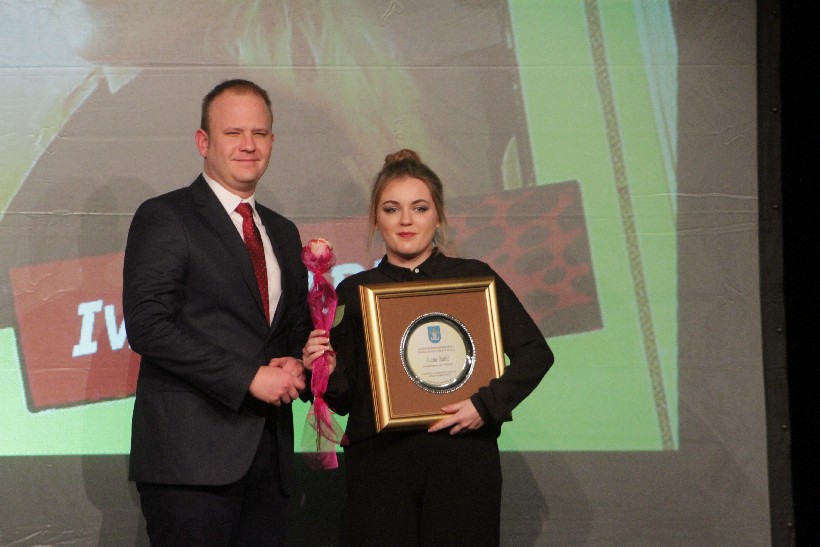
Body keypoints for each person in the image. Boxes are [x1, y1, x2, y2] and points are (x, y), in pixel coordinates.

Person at [302, 149, 555, 546]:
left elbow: (535, 353)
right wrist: (326, 371)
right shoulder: (353, 291)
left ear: (438, 216)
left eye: (419, 208)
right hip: (380, 467)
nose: (406, 220)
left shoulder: (473, 279)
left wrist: (484, 406)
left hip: (463, 461)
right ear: (376, 219)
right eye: (392, 209)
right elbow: (346, 400)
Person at [123, 79, 312, 546]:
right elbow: (148, 326)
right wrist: (248, 377)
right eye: (233, 133)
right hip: (190, 467)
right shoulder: (166, 216)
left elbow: (290, 328)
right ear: (203, 142)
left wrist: (298, 362)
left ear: (272, 141)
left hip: (269, 462)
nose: (249, 145)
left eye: (259, 133)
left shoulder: (283, 232)